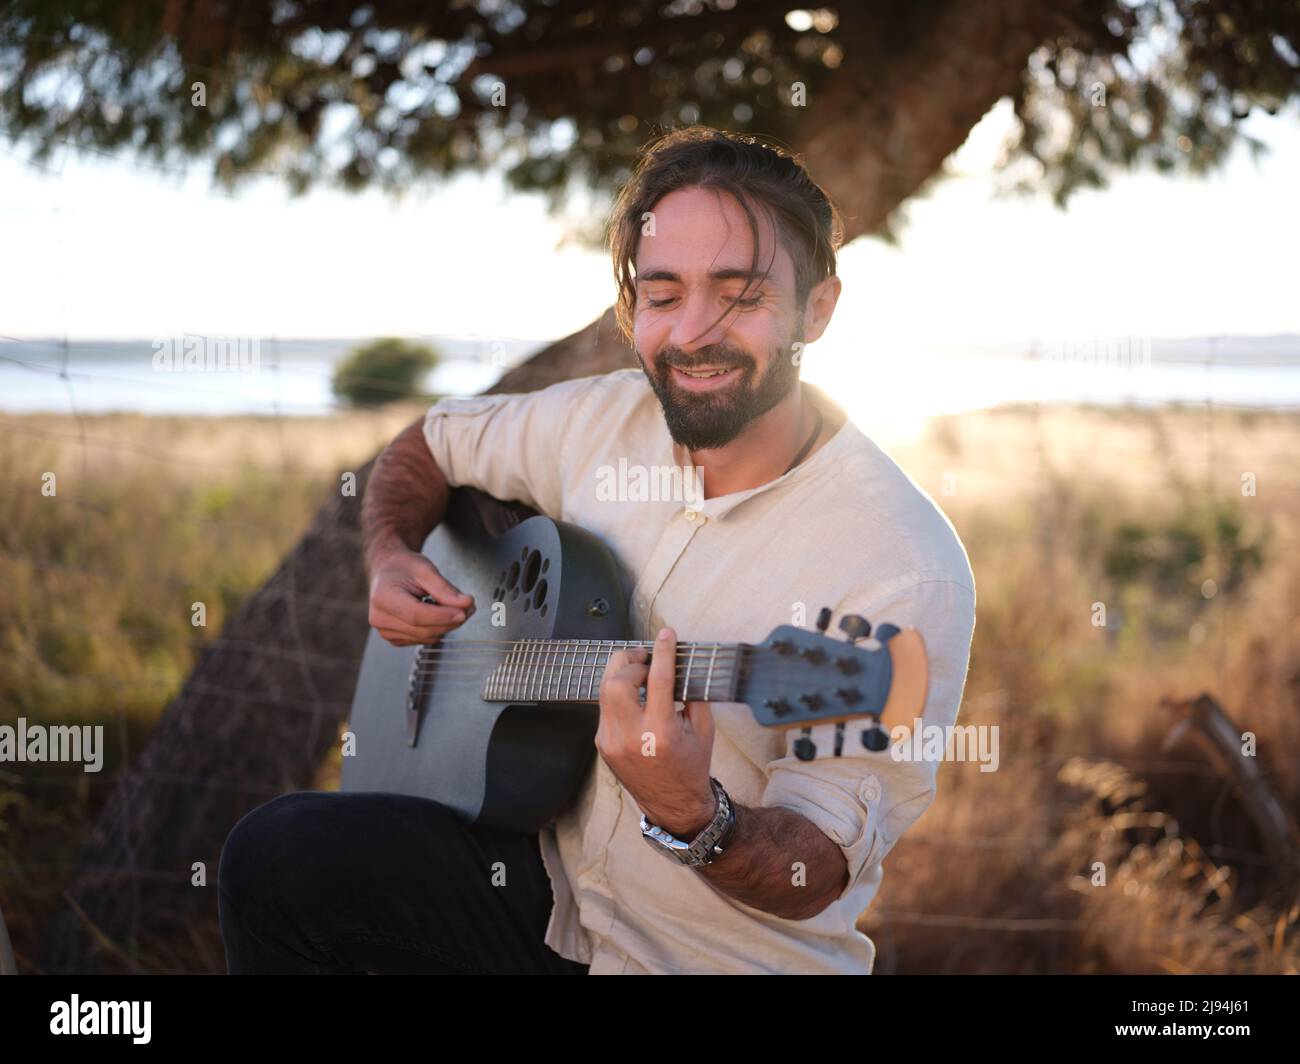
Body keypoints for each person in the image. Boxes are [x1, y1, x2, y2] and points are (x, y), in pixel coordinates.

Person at [218, 126, 976, 975]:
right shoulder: (597, 422)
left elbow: (815, 871)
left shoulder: (900, 564)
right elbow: (429, 445)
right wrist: (391, 552)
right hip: (540, 898)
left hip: (706, 959)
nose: (695, 333)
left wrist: (694, 816)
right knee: (278, 858)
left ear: (818, 309)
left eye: (740, 295)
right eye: (663, 294)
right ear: (631, 307)